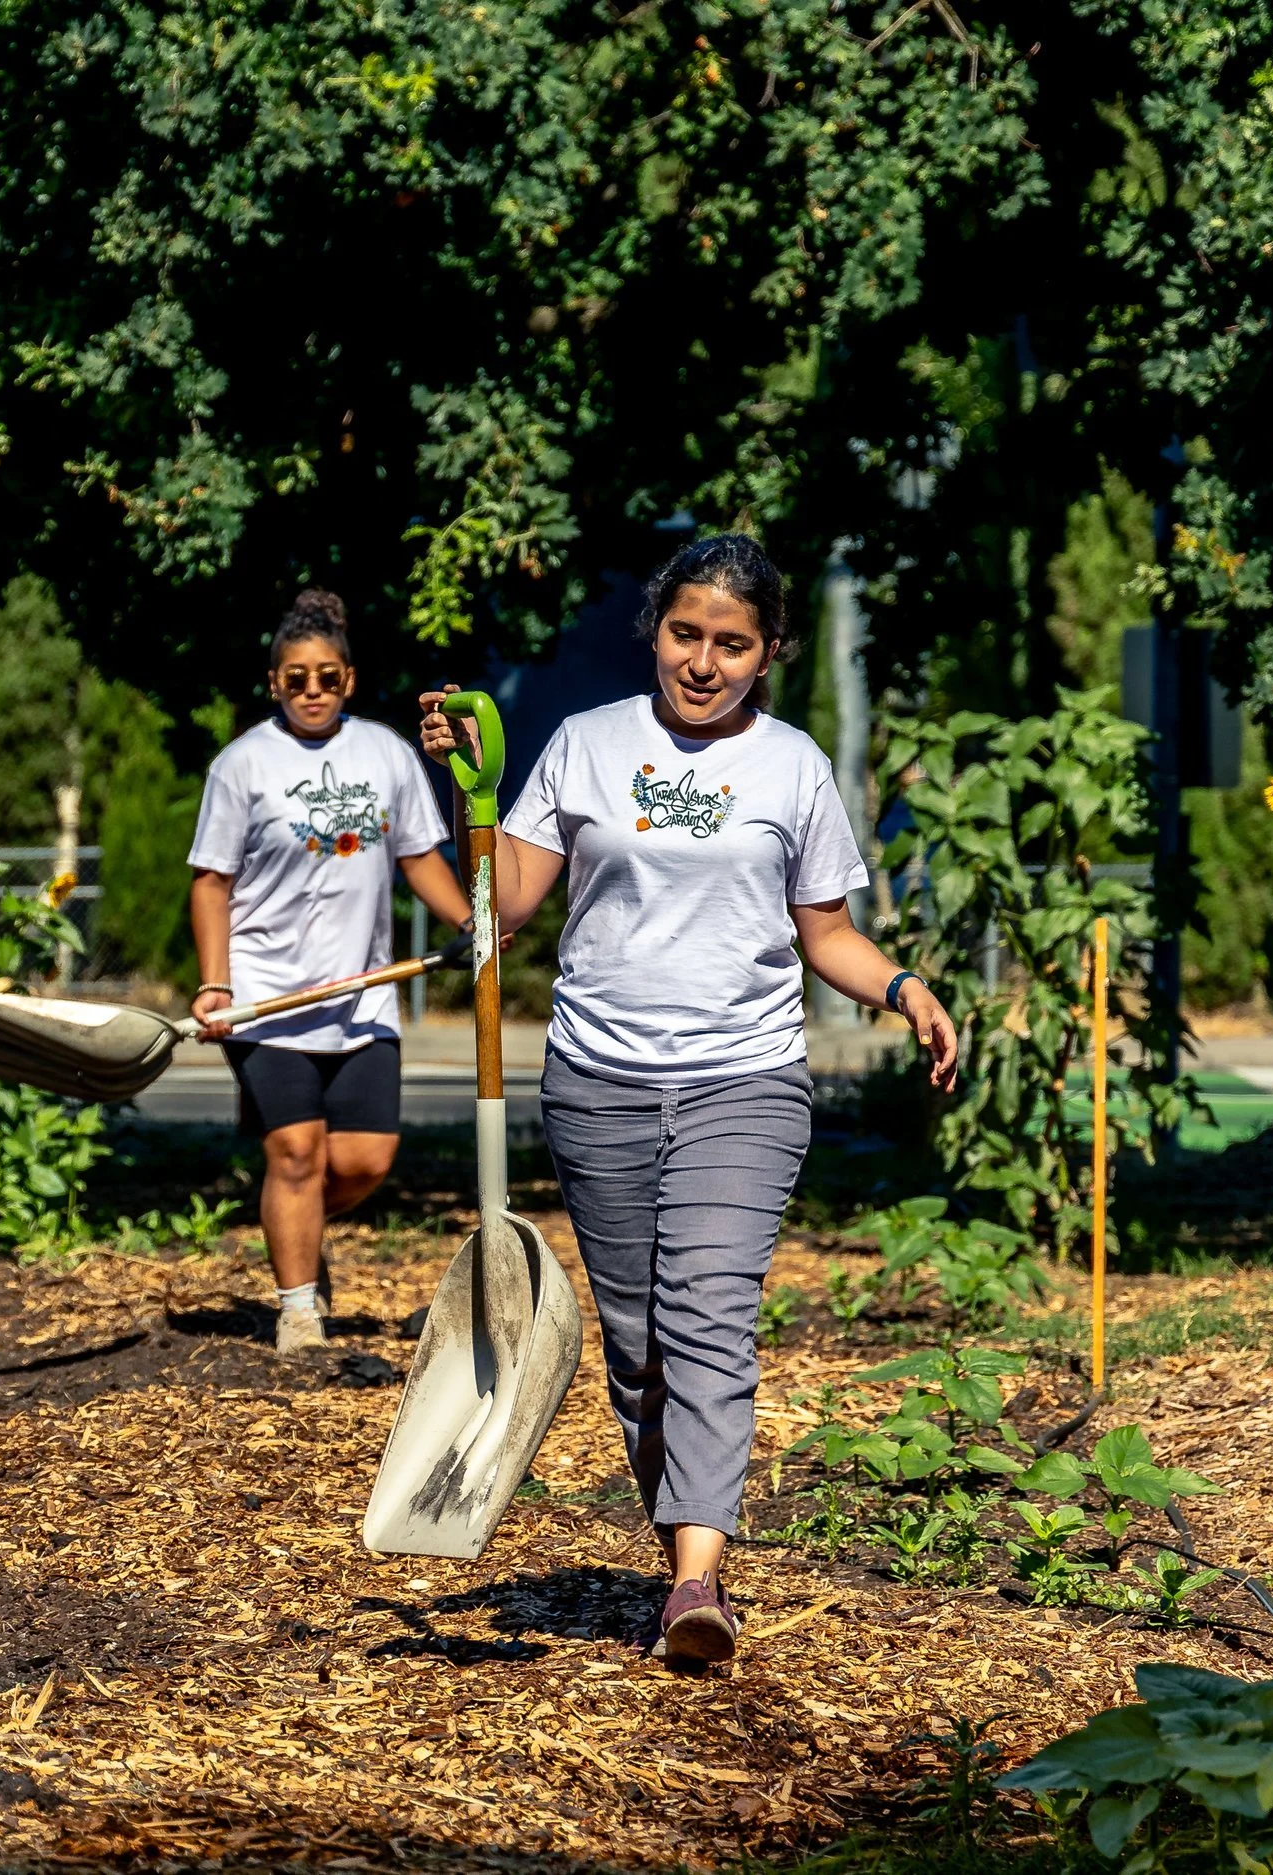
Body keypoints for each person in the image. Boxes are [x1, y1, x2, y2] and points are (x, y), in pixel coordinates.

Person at [419, 532, 957, 1667]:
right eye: (684, 635)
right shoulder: (584, 744)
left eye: (732, 644)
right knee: (639, 1348)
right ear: (654, 630)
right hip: (598, 1084)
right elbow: (497, 907)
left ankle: (695, 1583)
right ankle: (681, 1556)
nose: (703, 663)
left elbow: (828, 937)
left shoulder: (793, 767)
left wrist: (903, 988)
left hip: (742, 1084)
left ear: (767, 655)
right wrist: (461, 795)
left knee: (707, 1317)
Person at [189, 590, 474, 1355]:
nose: (311, 690)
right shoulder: (243, 763)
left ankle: (296, 1225)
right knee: (295, 1152)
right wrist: (217, 982)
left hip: (362, 994)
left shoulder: (384, 753)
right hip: (265, 995)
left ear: (347, 678)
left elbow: (418, 855)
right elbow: (211, 881)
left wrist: (471, 920)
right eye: (295, 679)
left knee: (363, 1159)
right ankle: (299, 1311)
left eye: (325, 677)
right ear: (274, 682)